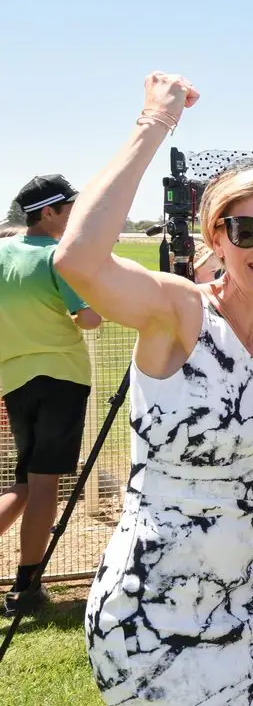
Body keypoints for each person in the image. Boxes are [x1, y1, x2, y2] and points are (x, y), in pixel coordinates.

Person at [57, 73, 253, 705]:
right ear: (216, 238)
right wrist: (154, 123)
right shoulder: (179, 311)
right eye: (248, 230)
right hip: (152, 607)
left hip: (244, 600)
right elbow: (78, 260)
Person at [0, 174, 103, 616]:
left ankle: (27, 580)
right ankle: (26, 586)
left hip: (14, 379)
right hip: (61, 379)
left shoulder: (2, 252)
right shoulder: (61, 257)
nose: (73, 216)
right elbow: (89, 319)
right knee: (45, 485)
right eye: (69, 209)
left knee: (23, 483)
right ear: (49, 212)